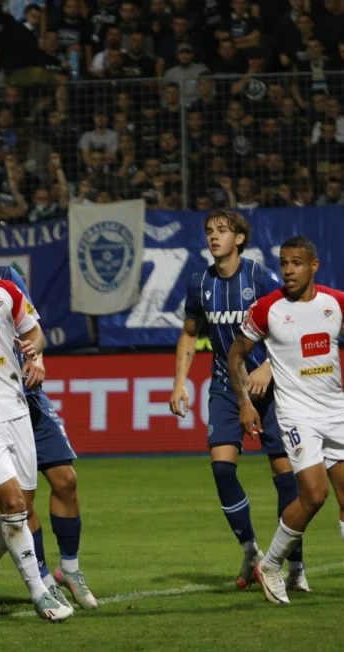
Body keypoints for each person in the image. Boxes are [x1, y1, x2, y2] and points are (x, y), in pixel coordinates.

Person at [0, 215, 97, 610]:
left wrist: (35, 354)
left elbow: (32, 330)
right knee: (16, 506)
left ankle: (58, 569)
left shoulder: (6, 283)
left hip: (24, 401)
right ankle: (41, 584)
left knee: (62, 482)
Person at [168, 210, 306, 591]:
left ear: (240, 239)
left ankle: (296, 566)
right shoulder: (200, 284)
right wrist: (179, 383)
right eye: (209, 231)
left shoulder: (260, 278)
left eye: (222, 231)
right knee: (222, 470)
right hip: (226, 386)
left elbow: (292, 323)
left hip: (272, 388)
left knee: (286, 477)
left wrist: (269, 369)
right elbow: (189, 333)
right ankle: (251, 551)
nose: (213, 237)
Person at [233, 236, 344, 604]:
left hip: (335, 411)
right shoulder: (268, 308)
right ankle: (271, 566)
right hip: (296, 414)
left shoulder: (336, 303)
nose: (288, 270)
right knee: (314, 495)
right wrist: (244, 401)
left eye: (296, 263)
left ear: (314, 266)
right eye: (283, 263)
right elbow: (235, 354)